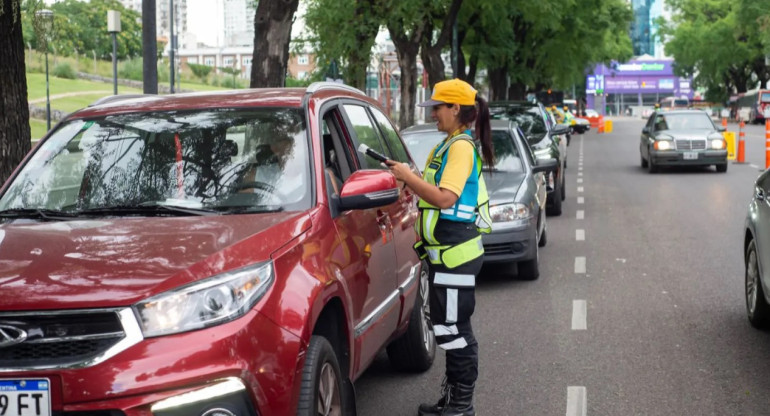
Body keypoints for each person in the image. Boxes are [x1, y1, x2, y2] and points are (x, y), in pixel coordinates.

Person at [386, 78, 494, 416]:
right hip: (447, 254)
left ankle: (462, 406)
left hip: (455, 254)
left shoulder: (460, 147)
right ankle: (453, 401)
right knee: (450, 328)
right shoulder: (448, 145)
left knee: (455, 330)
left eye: (438, 108)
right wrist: (406, 177)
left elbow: (445, 199)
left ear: (455, 109)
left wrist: (410, 177)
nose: (433, 114)